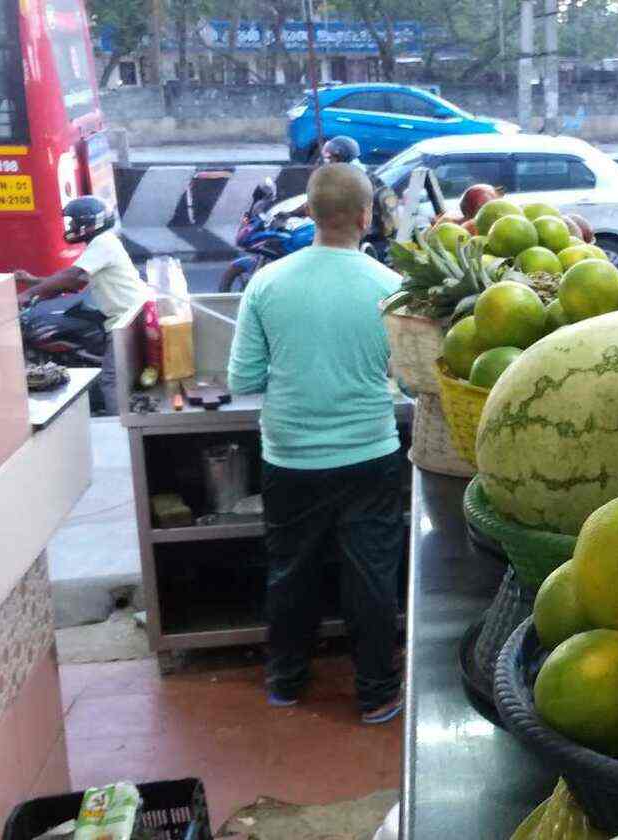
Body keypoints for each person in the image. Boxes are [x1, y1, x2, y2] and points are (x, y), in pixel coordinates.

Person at [227, 162, 406, 725]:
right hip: (369, 452)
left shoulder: (267, 283)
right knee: (371, 575)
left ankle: (285, 681)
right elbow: (407, 377)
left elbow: (242, 379)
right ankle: (376, 694)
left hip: (290, 456)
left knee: (290, 570)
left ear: (308, 213)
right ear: (366, 216)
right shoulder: (390, 287)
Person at [15, 196, 150, 413]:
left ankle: (120, 427)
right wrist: (32, 282)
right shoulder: (102, 243)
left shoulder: (102, 243)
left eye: (75, 222)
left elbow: (72, 276)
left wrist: (28, 294)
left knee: (112, 379)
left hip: (126, 319)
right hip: (132, 313)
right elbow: (76, 282)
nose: (71, 227)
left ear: (90, 223)